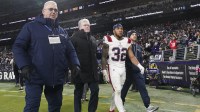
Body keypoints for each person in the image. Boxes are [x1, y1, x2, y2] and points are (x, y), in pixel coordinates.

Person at [12, 1, 80, 112]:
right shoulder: (31, 27)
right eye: (50, 9)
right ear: (43, 11)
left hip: (56, 77)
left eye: (55, 10)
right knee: (32, 107)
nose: (53, 11)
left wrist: (75, 64)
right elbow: (18, 46)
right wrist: (24, 65)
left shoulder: (62, 31)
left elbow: (71, 50)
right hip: (34, 75)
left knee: (55, 107)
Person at [101, 24, 145, 112]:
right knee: (117, 90)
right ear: (113, 30)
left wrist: (139, 66)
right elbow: (103, 56)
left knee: (117, 91)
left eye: (121, 29)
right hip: (112, 67)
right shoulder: (108, 39)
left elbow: (132, 56)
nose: (120, 30)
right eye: (118, 29)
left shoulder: (127, 41)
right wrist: (104, 70)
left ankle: (111, 109)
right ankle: (122, 110)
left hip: (122, 68)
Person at [121, 30, 159, 112]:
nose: (134, 35)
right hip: (128, 72)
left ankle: (148, 106)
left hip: (137, 72)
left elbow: (140, 59)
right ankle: (120, 105)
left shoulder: (138, 47)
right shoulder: (125, 45)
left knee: (143, 88)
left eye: (135, 34)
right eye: (132, 34)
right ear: (129, 36)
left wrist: (141, 66)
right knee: (124, 90)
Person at [71, 18, 99, 112]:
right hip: (80, 71)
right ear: (79, 27)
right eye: (85, 25)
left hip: (92, 71)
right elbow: (69, 54)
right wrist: (73, 67)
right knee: (78, 93)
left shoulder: (92, 38)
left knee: (95, 91)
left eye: (88, 25)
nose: (87, 26)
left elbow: (95, 54)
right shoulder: (73, 38)